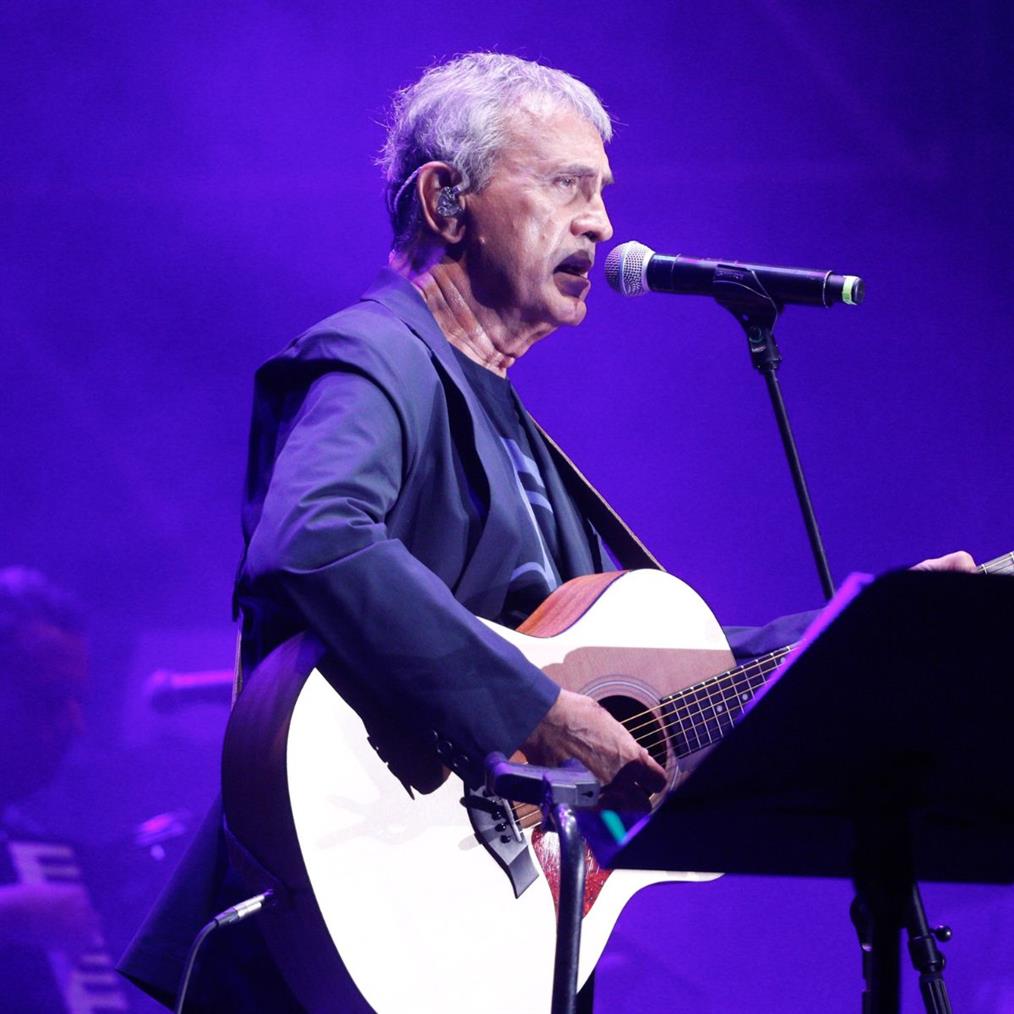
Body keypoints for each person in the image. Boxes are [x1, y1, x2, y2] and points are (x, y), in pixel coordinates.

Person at [119, 53, 974, 1011]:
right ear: (446, 203)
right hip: (341, 906)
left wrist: (871, 625)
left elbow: (646, 677)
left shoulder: (509, 419)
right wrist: (535, 711)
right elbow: (316, 536)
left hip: (482, 935)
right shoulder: (378, 354)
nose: (601, 223)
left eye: (602, 192)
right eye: (567, 184)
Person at [0, 567, 131, 1011]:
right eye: (50, 701)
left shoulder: (21, 838)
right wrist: (11, 913)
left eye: (79, 701)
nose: (75, 725)